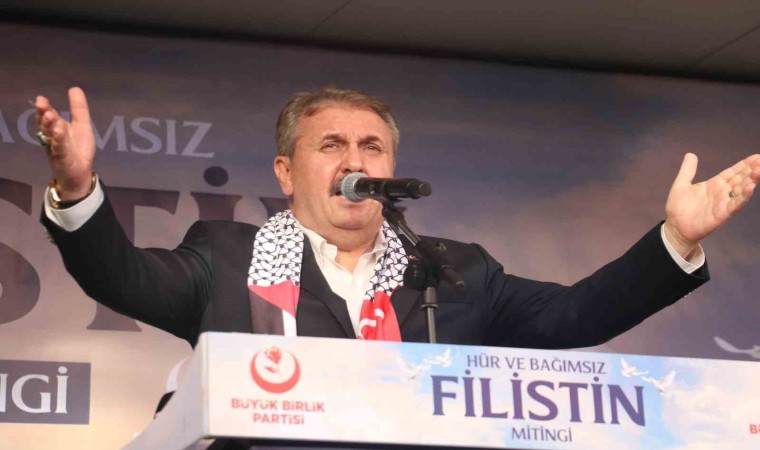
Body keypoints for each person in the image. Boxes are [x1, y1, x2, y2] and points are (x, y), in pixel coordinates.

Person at [35, 87, 760, 350]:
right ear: (286, 171)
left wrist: (676, 239)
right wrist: (77, 187)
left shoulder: (454, 270)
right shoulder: (226, 258)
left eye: (371, 147)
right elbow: (119, 276)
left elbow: (575, 317)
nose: (356, 160)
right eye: (332, 145)